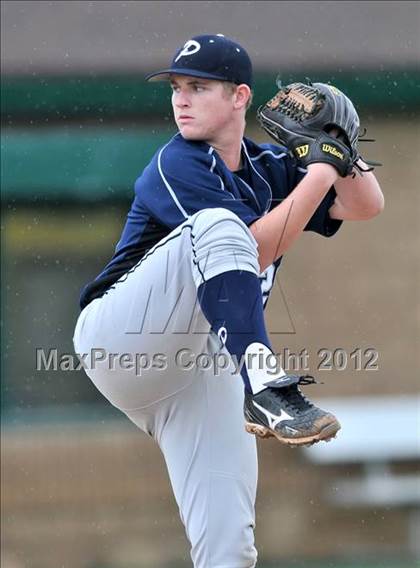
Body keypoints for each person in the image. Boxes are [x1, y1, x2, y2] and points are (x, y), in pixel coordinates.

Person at [73, 34, 384, 567]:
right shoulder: (180, 162)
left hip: (205, 368)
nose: (181, 99)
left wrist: (342, 152)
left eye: (198, 86)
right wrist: (320, 170)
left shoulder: (268, 166)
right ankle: (265, 384)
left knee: (229, 546)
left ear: (240, 96)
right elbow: (256, 246)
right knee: (218, 225)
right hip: (122, 337)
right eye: (175, 87)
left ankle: (258, 386)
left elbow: (365, 207)